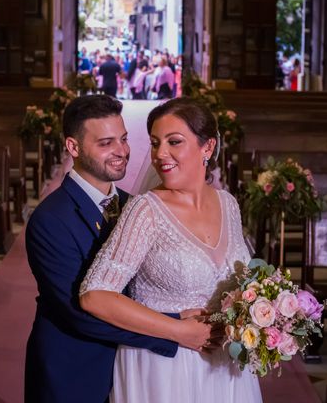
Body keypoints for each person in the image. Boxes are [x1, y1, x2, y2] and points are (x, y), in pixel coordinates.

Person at [25, 95, 211, 403]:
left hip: (136, 370)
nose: (121, 152)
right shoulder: (50, 219)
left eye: (123, 139)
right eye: (106, 143)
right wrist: (175, 327)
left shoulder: (135, 205)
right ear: (73, 147)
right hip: (75, 371)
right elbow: (78, 313)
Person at [80, 97, 263, 402]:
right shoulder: (145, 210)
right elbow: (94, 295)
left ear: (207, 147)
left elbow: (244, 284)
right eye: (154, 143)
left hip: (226, 366)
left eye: (174, 142)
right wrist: (178, 329)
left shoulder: (228, 204)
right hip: (164, 366)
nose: (160, 154)